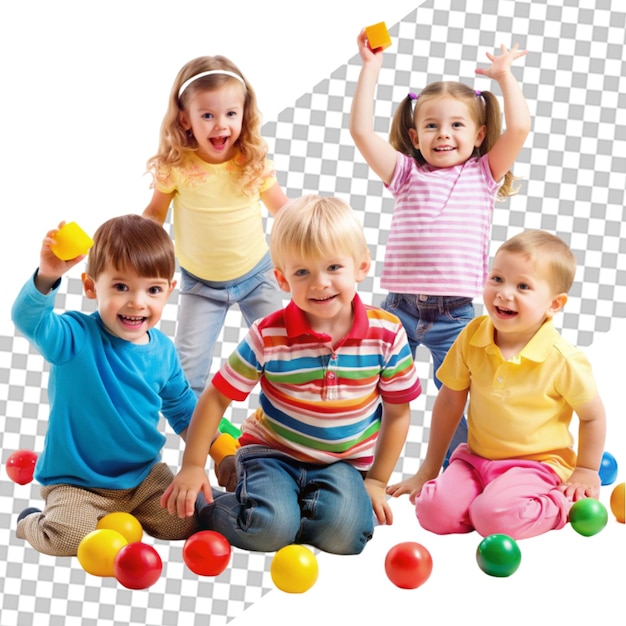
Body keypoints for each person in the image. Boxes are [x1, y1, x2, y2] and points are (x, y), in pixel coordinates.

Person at [161, 195, 423, 554]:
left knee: (345, 537)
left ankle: (287, 511)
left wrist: (377, 481)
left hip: (342, 464)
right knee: (268, 532)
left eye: (333, 268)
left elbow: (397, 413)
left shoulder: (387, 333)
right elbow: (216, 396)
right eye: (303, 272)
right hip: (272, 454)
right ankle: (218, 507)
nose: (320, 283)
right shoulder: (269, 335)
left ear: (361, 267)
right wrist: (192, 465)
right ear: (282, 280)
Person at [350, 31, 531, 472]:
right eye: (431, 125)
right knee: (373, 390)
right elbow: (360, 131)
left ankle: (465, 469)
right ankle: (352, 463)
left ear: (479, 133)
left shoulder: (483, 173)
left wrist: (504, 78)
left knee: (462, 396)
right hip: (399, 311)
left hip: (455, 315)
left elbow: (521, 127)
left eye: (456, 125)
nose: (443, 134)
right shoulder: (406, 173)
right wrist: (370, 66)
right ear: (414, 134)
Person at [395, 230, 606, 540]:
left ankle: (555, 503)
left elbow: (593, 415)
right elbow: (450, 401)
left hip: (535, 465)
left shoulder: (563, 359)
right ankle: (486, 504)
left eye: (523, 286)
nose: (504, 293)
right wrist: (429, 468)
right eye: (496, 279)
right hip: (476, 459)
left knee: (492, 519)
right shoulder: (472, 335)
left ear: (554, 304)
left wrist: (587, 469)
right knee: (432, 511)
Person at [11, 214, 199, 556]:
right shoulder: (73, 337)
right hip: (77, 482)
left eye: (152, 289)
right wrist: (48, 275)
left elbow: (184, 408)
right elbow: (28, 319)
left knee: (186, 522)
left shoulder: (163, 351)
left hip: (143, 477)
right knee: (68, 538)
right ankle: (30, 523)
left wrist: (220, 448)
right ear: (90, 286)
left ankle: (118, 515)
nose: (137, 302)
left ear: (169, 291)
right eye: (120, 287)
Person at [143, 55, 289, 397]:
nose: (220, 125)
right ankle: (192, 437)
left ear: (244, 114)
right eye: (207, 115)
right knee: (187, 369)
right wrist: (134, 241)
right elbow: (154, 213)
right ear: (185, 119)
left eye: (230, 114)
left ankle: (285, 424)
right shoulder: (176, 164)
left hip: (257, 276)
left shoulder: (251, 161)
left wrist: (313, 223)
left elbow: (282, 209)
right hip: (200, 284)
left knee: (282, 357)